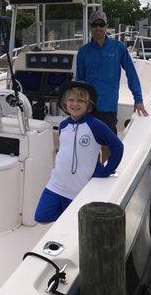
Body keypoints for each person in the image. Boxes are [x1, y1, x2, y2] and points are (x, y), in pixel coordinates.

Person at [34, 81, 124, 223]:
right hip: (56, 184)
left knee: (75, 224)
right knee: (41, 217)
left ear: (88, 105)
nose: (75, 104)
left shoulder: (95, 125)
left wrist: (108, 170)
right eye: (71, 100)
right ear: (65, 103)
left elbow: (117, 146)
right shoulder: (63, 125)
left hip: (78, 189)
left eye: (81, 101)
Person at [76, 10, 148, 135]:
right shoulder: (83, 51)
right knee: (90, 143)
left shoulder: (118, 47)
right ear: (90, 27)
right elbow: (79, 81)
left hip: (108, 106)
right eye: (94, 25)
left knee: (107, 143)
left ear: (106, 26)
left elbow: (131, 74)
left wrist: (138, 100)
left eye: (101, 24)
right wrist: (78, 104)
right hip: (88, 106)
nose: (98, 28)